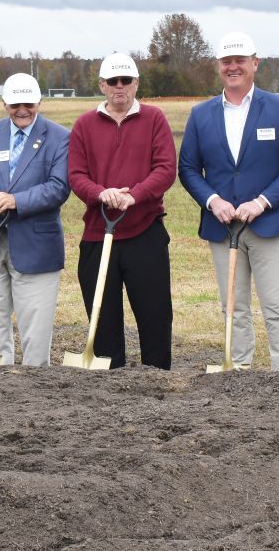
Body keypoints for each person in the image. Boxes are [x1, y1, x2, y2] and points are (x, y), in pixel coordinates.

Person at [178, 31, 279, 376]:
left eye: (240, 61)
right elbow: (188, 168)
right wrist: (212, 200)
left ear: (254, 63)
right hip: (223, 229)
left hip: (267, 225)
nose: (233, 67)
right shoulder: (201, 114)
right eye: (226, 62)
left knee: (277, 307)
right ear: (218, 66)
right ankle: (239, 376)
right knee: (233, 308)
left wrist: (262, 202)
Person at [67, 52, 177, 369]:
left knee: (155, 317)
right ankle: (109, 390)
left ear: (136, 83)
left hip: (145, 233)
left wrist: (135, 196)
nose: (119, 87)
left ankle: (157, 384)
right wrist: (102, 193)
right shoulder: (85, 124)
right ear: (102, 85)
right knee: (103, 319)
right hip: (98, 234)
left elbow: (166, 168)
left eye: (125, 81)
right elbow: (76, 175)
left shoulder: (154, 118)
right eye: (112, 81)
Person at [0, 73, 70, 366]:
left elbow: (58, 187)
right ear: (4, 103)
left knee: (35, 323)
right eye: (14, 104)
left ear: (39, 102)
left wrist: (15, 201)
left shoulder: (59, 137)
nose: (22, 110)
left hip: (36, 244)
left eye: (28, 103)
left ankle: (35, 385)